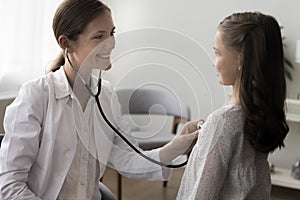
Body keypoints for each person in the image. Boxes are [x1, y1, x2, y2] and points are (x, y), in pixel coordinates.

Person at [0, 0, 199, 199]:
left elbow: (128, 159)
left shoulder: (106, 96)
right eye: (98, 36)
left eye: (112, 33)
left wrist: (178, 145)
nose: (111, 44)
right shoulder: (36, 96)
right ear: (66, 43)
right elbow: (10, 185)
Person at [177, 11, 289, 199]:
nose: (214, 63)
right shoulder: (256, 113)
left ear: (240, 59)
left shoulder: (222, 122)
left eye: (218, 53)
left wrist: (212, 136)